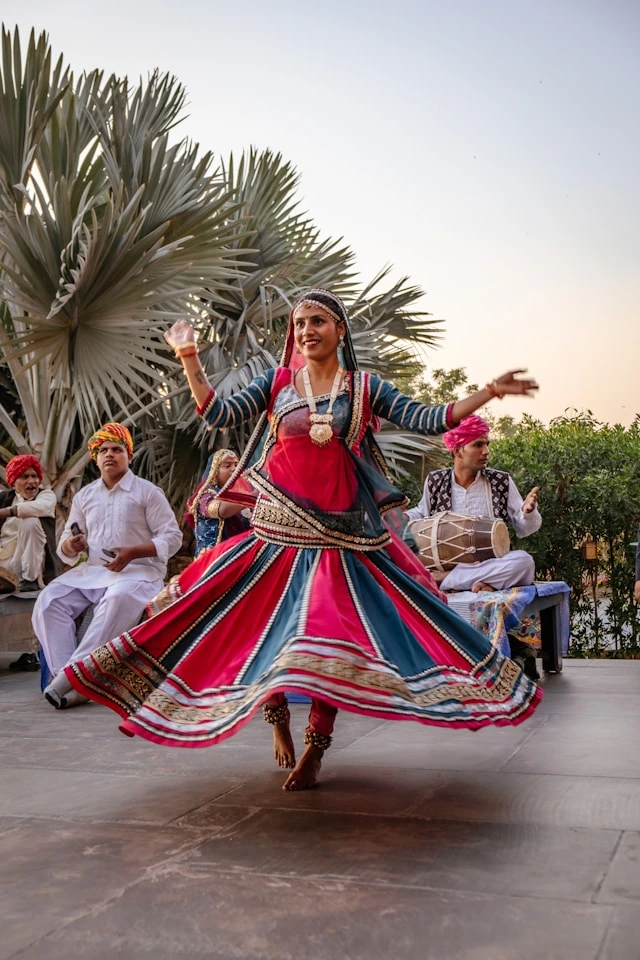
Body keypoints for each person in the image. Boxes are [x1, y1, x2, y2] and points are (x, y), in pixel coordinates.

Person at [63, 289, 542, 790]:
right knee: (260, 631)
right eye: (299, 324)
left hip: (341, 541)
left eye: (318, 321)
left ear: (339, 330)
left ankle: (315, 746)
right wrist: (188, 356)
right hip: (275, 535)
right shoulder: (278, 384)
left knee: (326, 643)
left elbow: (430, 417)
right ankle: (276, 722)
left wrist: (489, 390)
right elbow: (216, 412)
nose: (307, 330)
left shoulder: (363, 387)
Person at [34, 423, 182, 709]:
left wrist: (134, 553)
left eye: (117, 449)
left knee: (117, 599)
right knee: (48, 600)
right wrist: (70, 545)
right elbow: (66, 541)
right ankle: (71, 680)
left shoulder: (147, 492)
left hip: (137, 573)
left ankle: (68, 681)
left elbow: (172, 537)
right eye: (103, 450)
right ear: (95, 457)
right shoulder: (85, 496)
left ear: (129, 455)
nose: (109, 455)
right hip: (92, 573)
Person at [406, 414, 541, 593]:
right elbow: (422, 513)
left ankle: (445, 580)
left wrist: (528, 512)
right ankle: (481, 583)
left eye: (487, 444)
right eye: (478, 445)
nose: (486, 451)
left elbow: (524, 529)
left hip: (491, 563)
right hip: (447, 563)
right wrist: (400, 516)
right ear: (457, 451)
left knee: (524, 562)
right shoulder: (436, 481)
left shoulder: (501, 481)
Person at [0, 454, 58, 595]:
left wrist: (8, 512)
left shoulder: (46, 496)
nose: (31, 481)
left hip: (32, 564)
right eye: (25, 477)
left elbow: (37, 507)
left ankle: (29, 580)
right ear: (13, 482)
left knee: (30, 520)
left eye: (34, 476)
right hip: (5, 563)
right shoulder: (4, 498)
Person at [186, 448, 250, 554]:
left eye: (236, 465)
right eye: (227, 465)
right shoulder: (204, 496)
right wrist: (252, 497)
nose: (234, 469)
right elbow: (222, 510)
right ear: (214, 471)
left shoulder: (239, 495)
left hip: (240, 556)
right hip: (213, 560)